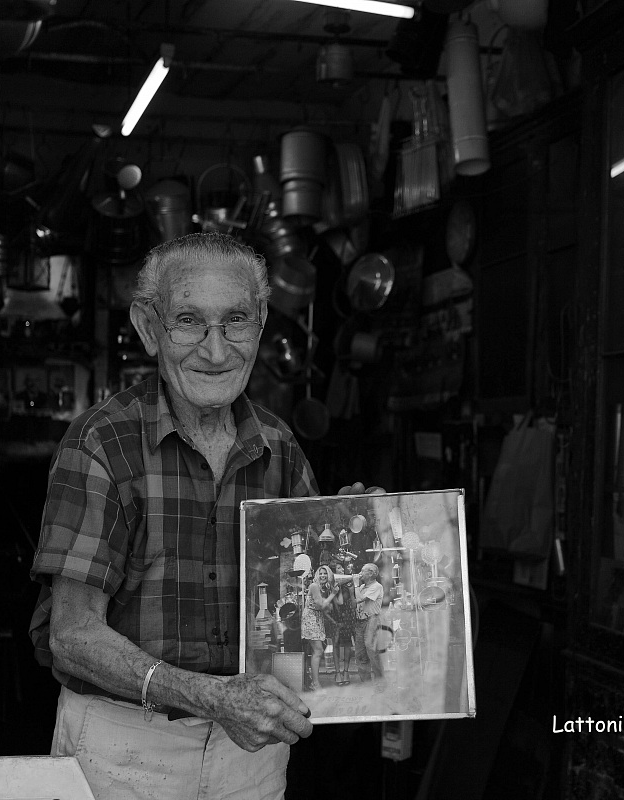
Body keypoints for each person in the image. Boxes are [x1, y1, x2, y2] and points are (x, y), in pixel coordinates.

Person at [28, 232, 380, 800]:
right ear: (148, 327)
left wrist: (358, 538)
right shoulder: (102, 443)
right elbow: (72, 637)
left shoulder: (278, 445)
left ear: (261, 322)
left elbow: (306, 607)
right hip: (121, 748)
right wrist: (208, 696)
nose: (216, 351)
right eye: (188, 321)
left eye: (235, 321)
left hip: (250, 755)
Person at [300, 565, 336, 692]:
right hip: (311, 620)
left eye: (325, 574)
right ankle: (315, 684)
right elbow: (321, 604)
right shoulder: (314, 586)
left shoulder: (321, 588)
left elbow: (323, 607)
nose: (323, 576)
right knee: (318, 651)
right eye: (320, 573)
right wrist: (333, 594)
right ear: (316, 575)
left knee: (317, 651)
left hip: (316, 619)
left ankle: (313, 682)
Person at [350, 563, 385, 680]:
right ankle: (366, 684)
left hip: (372, 620)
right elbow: (354, 603)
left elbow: (360, 599)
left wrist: (355, 585)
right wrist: (351, 590)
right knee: (360, 654)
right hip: (360, 621)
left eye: (362, 571)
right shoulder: (361, 587)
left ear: (371, 573)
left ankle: (380, 682)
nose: (360, 574)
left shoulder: (377, 586)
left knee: (372, 652)